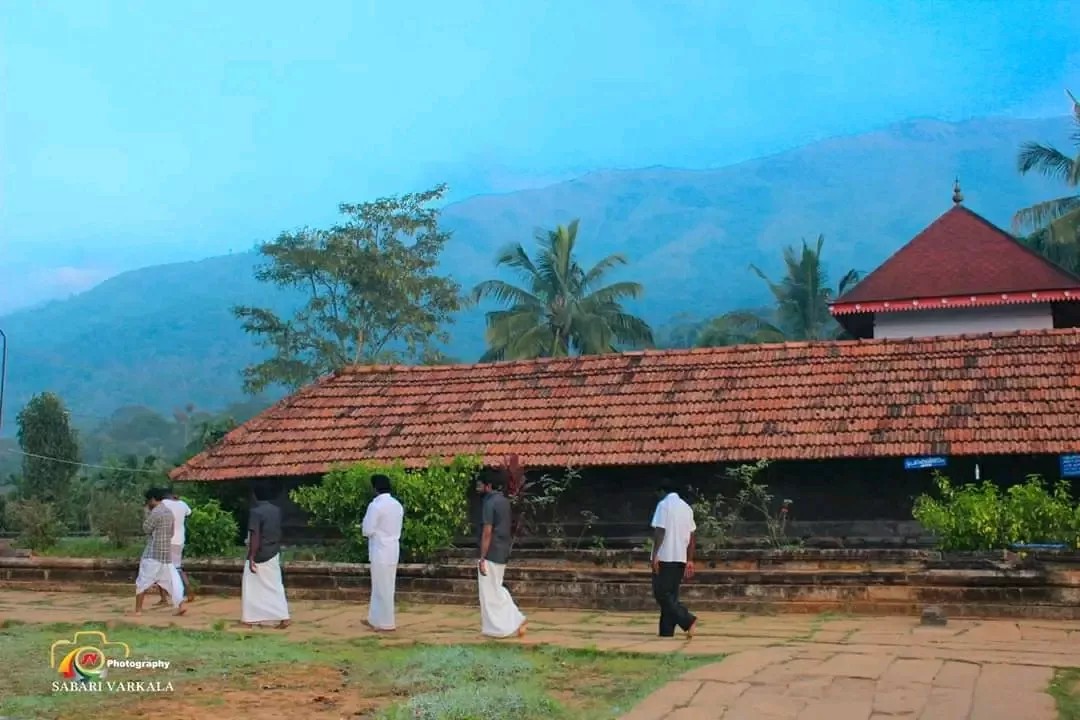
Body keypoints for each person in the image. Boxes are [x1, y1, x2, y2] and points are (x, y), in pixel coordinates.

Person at [476, 468, 526, 639]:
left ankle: (511, 621)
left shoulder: (489, 503)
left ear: (488, 486)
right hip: (503, 549)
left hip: (492, 551)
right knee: (495, 587)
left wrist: (482, 557)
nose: (478, 487)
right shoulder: (504, 501)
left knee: (490, 591)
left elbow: (487, 530)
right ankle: (505, 623)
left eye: (480, 484)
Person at [650, 481, 698, 638]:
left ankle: (687, 619)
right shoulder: (686, 508)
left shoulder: (663, 505)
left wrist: (655, 555)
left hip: (665, 556)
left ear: (663, 491)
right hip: (680, 557)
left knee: (661, 593)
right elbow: (692, 535)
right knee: (671, 594)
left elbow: (660, 530)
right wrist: (690, 559)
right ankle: (666, 631)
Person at [242, 481, 290, 629]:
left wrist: (251, 556)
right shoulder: (276, 510)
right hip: (274, 551)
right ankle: (282, 615)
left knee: (250, 585)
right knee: (275, 585)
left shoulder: (256, 512)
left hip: (260, 553)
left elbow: (255, 535)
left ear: (255, 496)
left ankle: (252, 617)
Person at [361, 473, 404, 632]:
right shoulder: (397, 505)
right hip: (392, 548)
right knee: (384, 584)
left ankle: (386, 622)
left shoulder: (376, 506)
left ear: (375, 488)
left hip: (380, 549)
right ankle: (375, 619)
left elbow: (367, 530)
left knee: (382, 586)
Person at [135, 487, 187, 616]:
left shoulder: (155, 513)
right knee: (173, 581)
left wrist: (146, 513)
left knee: (143, 580)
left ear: (152, 499)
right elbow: (172, 532)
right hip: (166, 553)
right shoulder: (169, 512)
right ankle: (180, 606)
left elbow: (146, 528)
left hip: (153, 552)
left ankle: (138, 610)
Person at [158, 490, 192, 605]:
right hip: (180, 539)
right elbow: (189, 513)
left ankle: (164, 597)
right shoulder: (183, 504)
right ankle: (190, 592)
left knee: (161, 567)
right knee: (177, 567)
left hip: (168, 539)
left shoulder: (164, 503)